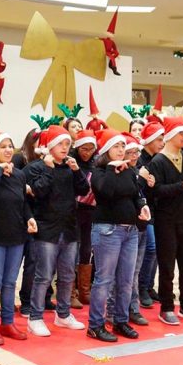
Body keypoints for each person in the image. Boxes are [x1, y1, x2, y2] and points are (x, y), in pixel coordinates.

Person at [24, 125, 89, 337]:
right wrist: (49, 169)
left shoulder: (70, 166)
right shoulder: (35, 167)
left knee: (68, 275)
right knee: (43, 275)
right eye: (60, 143)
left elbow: (84, 190)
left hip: (69, 228)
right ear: (50, 145)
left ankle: (63, 314)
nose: (64, 147)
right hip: (46, 229)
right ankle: (35, 317)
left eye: (67, 144)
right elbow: (38, 192)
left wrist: (77, 170)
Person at [87, 129, 150, 342]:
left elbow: (135, 194)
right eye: (116, 146)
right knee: (104, 280)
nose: (122, 150)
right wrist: (112, 169)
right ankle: (95, 325)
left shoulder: (129, 170)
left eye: (123, 146)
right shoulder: (99, 171)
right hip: (108, 230)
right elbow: (106, 192)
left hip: (130, 231)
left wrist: (142, 206)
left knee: (125, 280)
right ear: (106, 149)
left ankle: (120, 320)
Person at [0, 132, 37, 345]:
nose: (8, 150)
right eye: (2, 147)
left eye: (10, 146)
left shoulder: (19, 175)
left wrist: (29, 218)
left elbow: (23, 202)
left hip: (16, 235)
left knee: (10, 282)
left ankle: (8, 322)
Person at [147, 116, 183, 325]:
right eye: (182, 133)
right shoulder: (158, 161)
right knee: (167, 266)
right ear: (171, 135)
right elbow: (155, 192)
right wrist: (182, 186)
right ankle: (166, 307)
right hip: (166, 220)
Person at [14, 128, 56, 315]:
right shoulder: (28, 165)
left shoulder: (61, 165)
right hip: (29, 218)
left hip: (49, 221)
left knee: (46, 263)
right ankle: (26, 302)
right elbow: (31, 192)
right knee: (31, 262)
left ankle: (44, 297)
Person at [123, 132, 154, 327]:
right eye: (130, 152)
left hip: (141, 225)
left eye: (136, 152)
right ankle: (121, 310)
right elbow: (129, 192)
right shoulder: (121, 171)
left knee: (134, 271)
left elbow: (141, 196)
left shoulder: (138, 170)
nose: (134, 156)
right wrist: (141, 181)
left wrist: (149, 184)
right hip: (125, 227)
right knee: (124, 273)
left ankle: (133, 308)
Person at [136, 121, 165, 308]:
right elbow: (137, 188)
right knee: (151, 249)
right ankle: (142, 287)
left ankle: (148, 285)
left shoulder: (158, 160)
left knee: (156, 250)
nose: (162, 143)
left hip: (157, 209)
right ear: (150, 140)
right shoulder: (140, 160)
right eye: (159, 139)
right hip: (143, 211)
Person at [72, 130, 98, 306]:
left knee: (87, 250)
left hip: (90, 212)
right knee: (72, 251)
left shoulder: (96, 164)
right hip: (73, 211)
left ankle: (84, 290)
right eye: (83, 149)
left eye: (91, 149)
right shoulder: (71, 163)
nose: (87, 153)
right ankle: (70, 292)